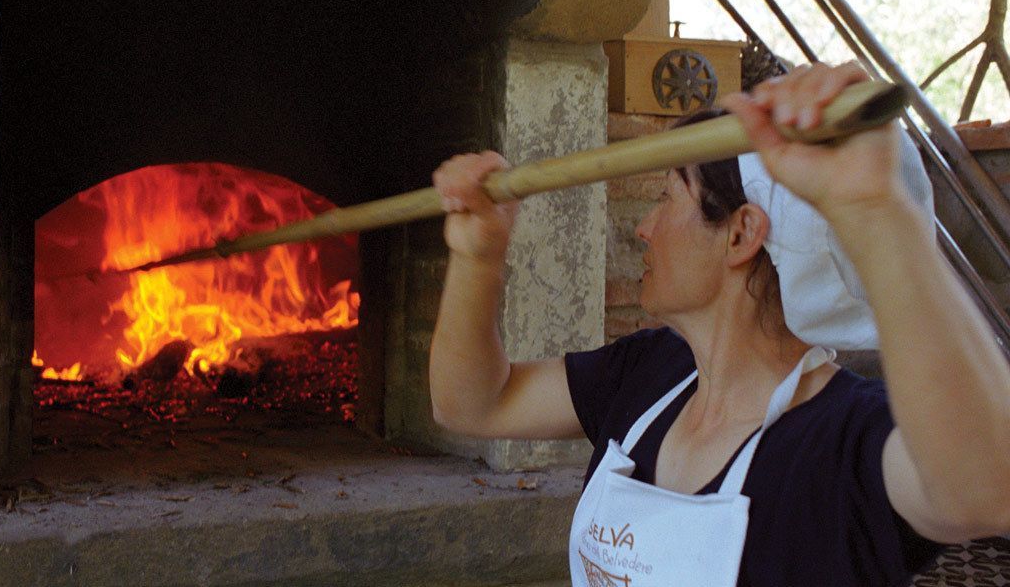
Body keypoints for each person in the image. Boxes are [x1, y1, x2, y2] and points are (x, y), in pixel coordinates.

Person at [428, 61, 1010, 587]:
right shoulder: (649, 372)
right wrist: (478, 256)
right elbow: (473, 405)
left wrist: (872, 208)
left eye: (666, 198)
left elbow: (987, 490)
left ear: (741, 234)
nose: (643, 227)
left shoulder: (846, 443)